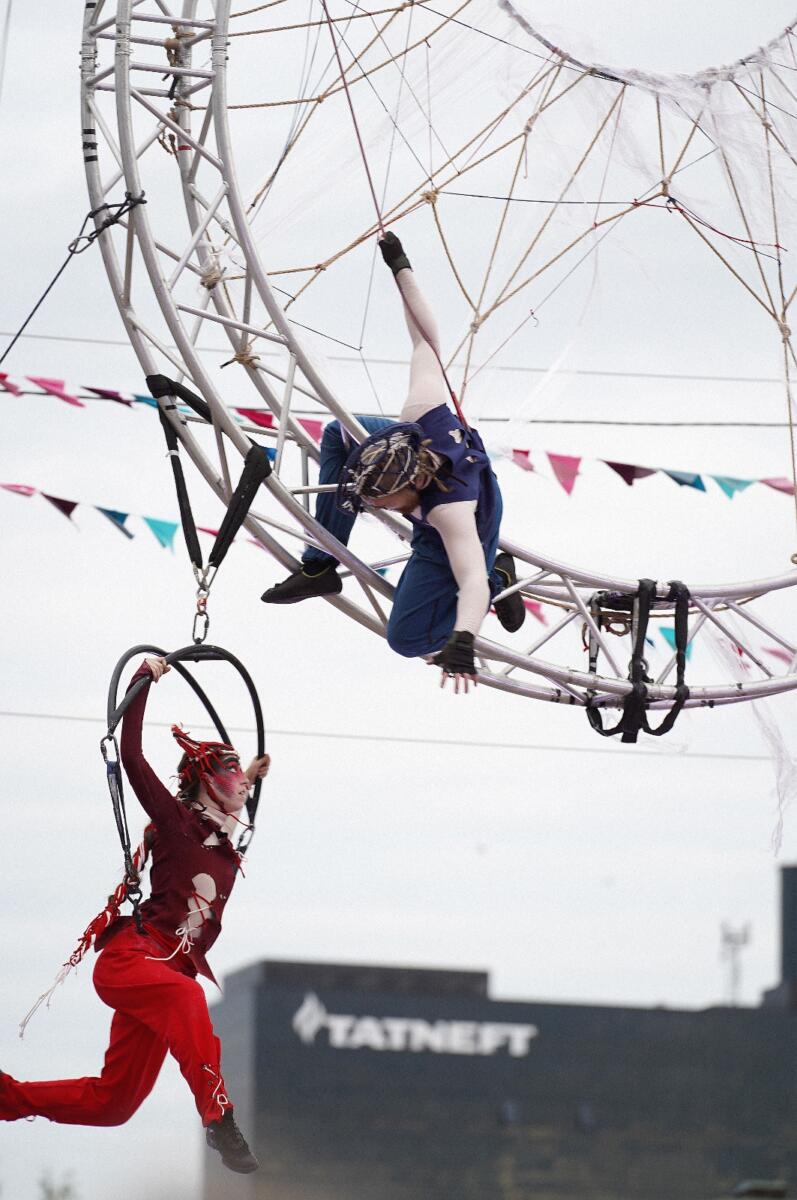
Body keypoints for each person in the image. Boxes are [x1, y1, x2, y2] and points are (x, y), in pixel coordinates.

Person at [0, 656, 270, 1175]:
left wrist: (252, 772)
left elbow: (237, 802)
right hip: (133, 961)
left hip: (164, 974)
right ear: (206, 781)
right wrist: (144, 679)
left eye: (242, 776)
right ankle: (219, 1116)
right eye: (231, 772)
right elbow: (131, 754)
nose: (241, 783)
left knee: (115, 1104)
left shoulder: (225, 846)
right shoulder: (176, 822)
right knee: (187, 996)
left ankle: (6, 1099)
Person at [262, 231, 526, 692]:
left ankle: (501, 574)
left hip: (472, 514)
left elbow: (470, 581)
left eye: (382, 501)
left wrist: (464, 638)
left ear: (412, 486)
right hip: (421, 449)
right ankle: (320, 564)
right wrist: (400, 266)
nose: (376, 508)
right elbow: (426, 339)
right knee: (336, 432)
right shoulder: (419, 412)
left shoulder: (450, 515)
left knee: (405, 639)